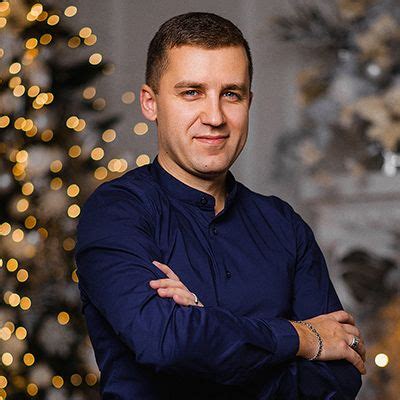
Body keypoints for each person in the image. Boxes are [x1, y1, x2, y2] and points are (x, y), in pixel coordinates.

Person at [75, 12, 366, 399]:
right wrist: (301, 337)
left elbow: (339, 377)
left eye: (231, 94)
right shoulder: (115, 214)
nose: (214, 117)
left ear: (249, 101)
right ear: (151, 103)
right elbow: (167, 343)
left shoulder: (284, 225)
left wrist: (203, 327)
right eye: (191, 92)